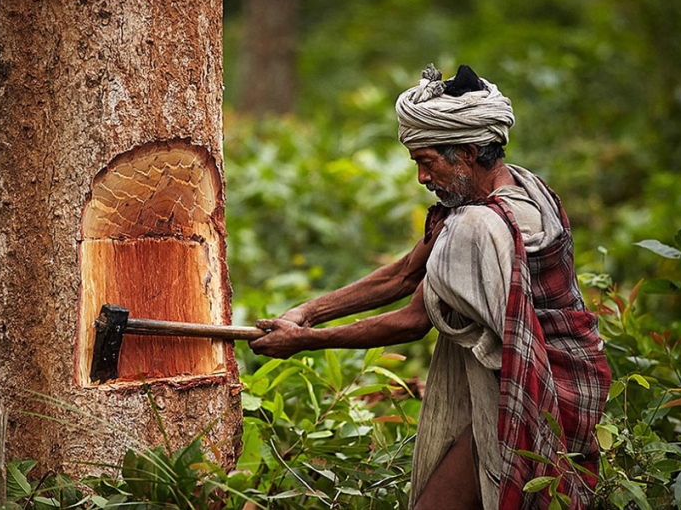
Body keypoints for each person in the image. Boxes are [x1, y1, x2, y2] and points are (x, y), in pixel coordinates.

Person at [249, 63, 611, 510]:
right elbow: (402, 274)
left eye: (427, 162)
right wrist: (308, 310)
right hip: (545, 381)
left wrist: (305, 341)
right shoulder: (527, 185)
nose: (422, 178)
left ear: (468, 151)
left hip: (528, 390)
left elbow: (412, 321)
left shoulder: (477, 226)